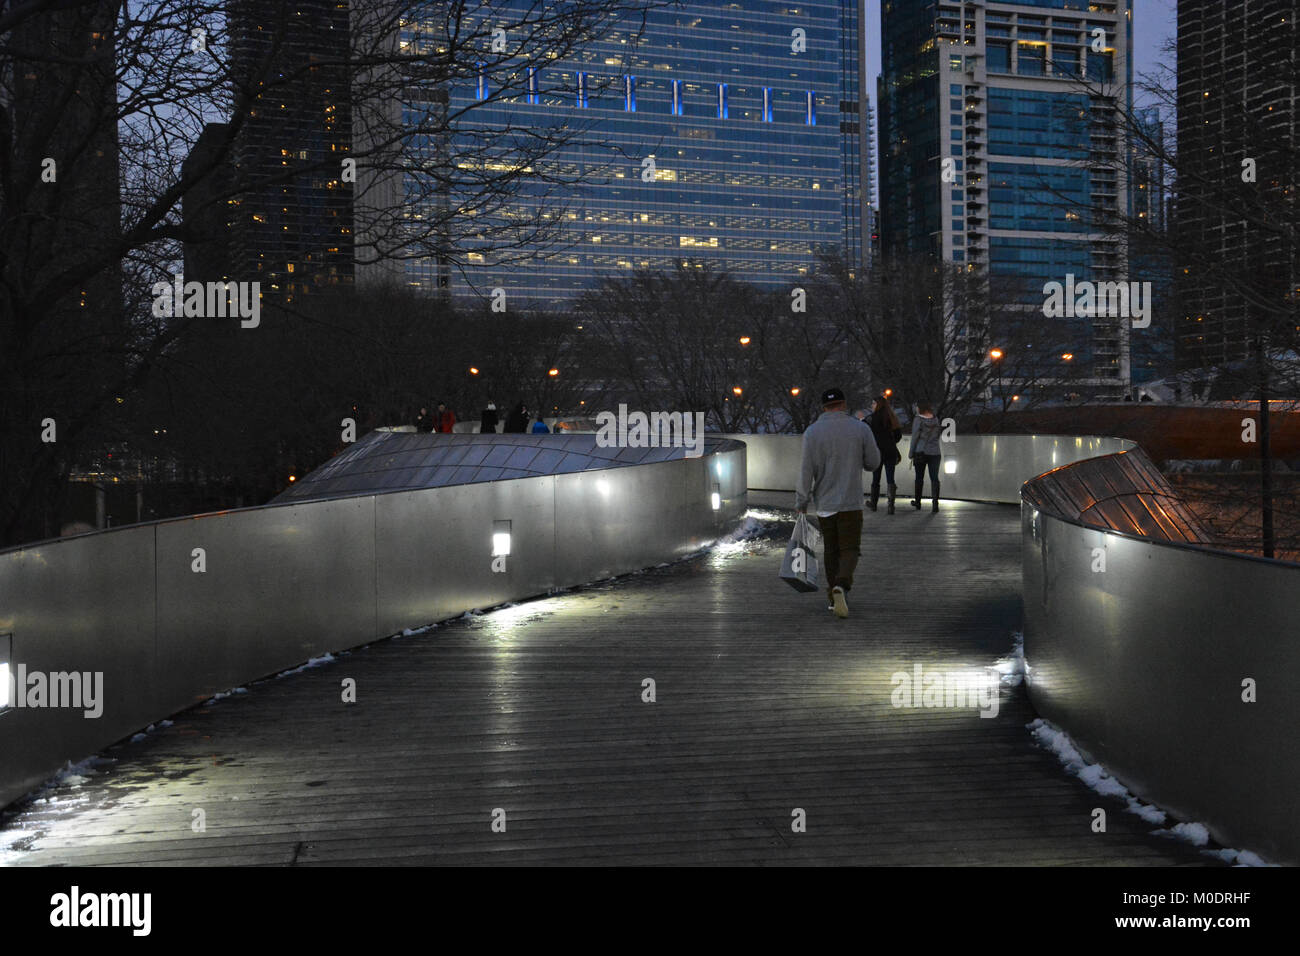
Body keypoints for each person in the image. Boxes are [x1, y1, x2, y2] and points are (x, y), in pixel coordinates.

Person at [795, 387, 881, 619]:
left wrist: (801, 500)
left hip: (825, 503)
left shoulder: (812, 433)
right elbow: (873, 462)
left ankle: (833, 599)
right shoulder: (860, 428)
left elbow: (806, 470)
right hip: (851, 502)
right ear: (844, 404)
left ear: (823, 407)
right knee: (850, 548)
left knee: (831, 551)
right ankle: (842, 584)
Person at [867, 396, 903, 514]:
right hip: (890, 451)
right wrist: (890, 442)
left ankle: (873, 504)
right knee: (890, 478)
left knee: (876, 478)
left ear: (878, 404)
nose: (871, 406)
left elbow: (867, 435)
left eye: (873, 403)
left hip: (877, 451)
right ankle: (891, 506)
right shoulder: (892, 417)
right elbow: (898, 435)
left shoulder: (871, 419)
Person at [910, 401, 944, 512]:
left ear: (920, 408)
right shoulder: (936, 419)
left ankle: (918, 502)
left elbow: (915, 437)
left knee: (919, 477)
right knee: (934, 478)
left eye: (916, 407)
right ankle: (935, 504)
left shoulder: (918, 420)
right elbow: (938, 434)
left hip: (921, 451)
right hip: (935, 452)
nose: (915, 409)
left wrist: (911, 453)